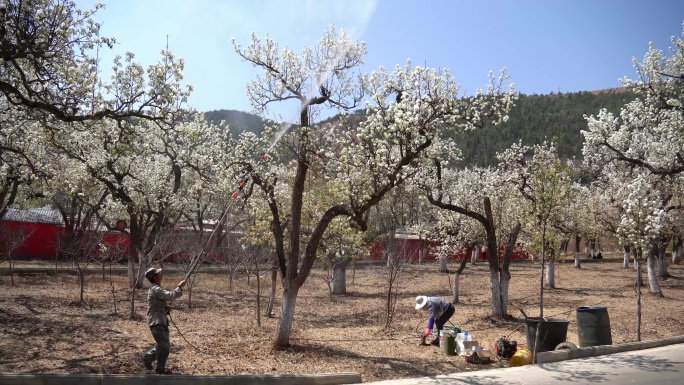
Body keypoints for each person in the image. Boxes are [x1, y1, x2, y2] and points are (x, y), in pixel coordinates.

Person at [142, 267, 187, 374]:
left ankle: (160, 368)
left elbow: (157, 304)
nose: (161, 275)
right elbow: (169, 296)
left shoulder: (156, 288)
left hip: (161, 321)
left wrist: (165, 309)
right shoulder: (155, 289)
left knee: (164, 346)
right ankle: (148, 358)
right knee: (164, 345)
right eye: (158, 274)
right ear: (155, 277)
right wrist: (179, 287)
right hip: (156, 322)